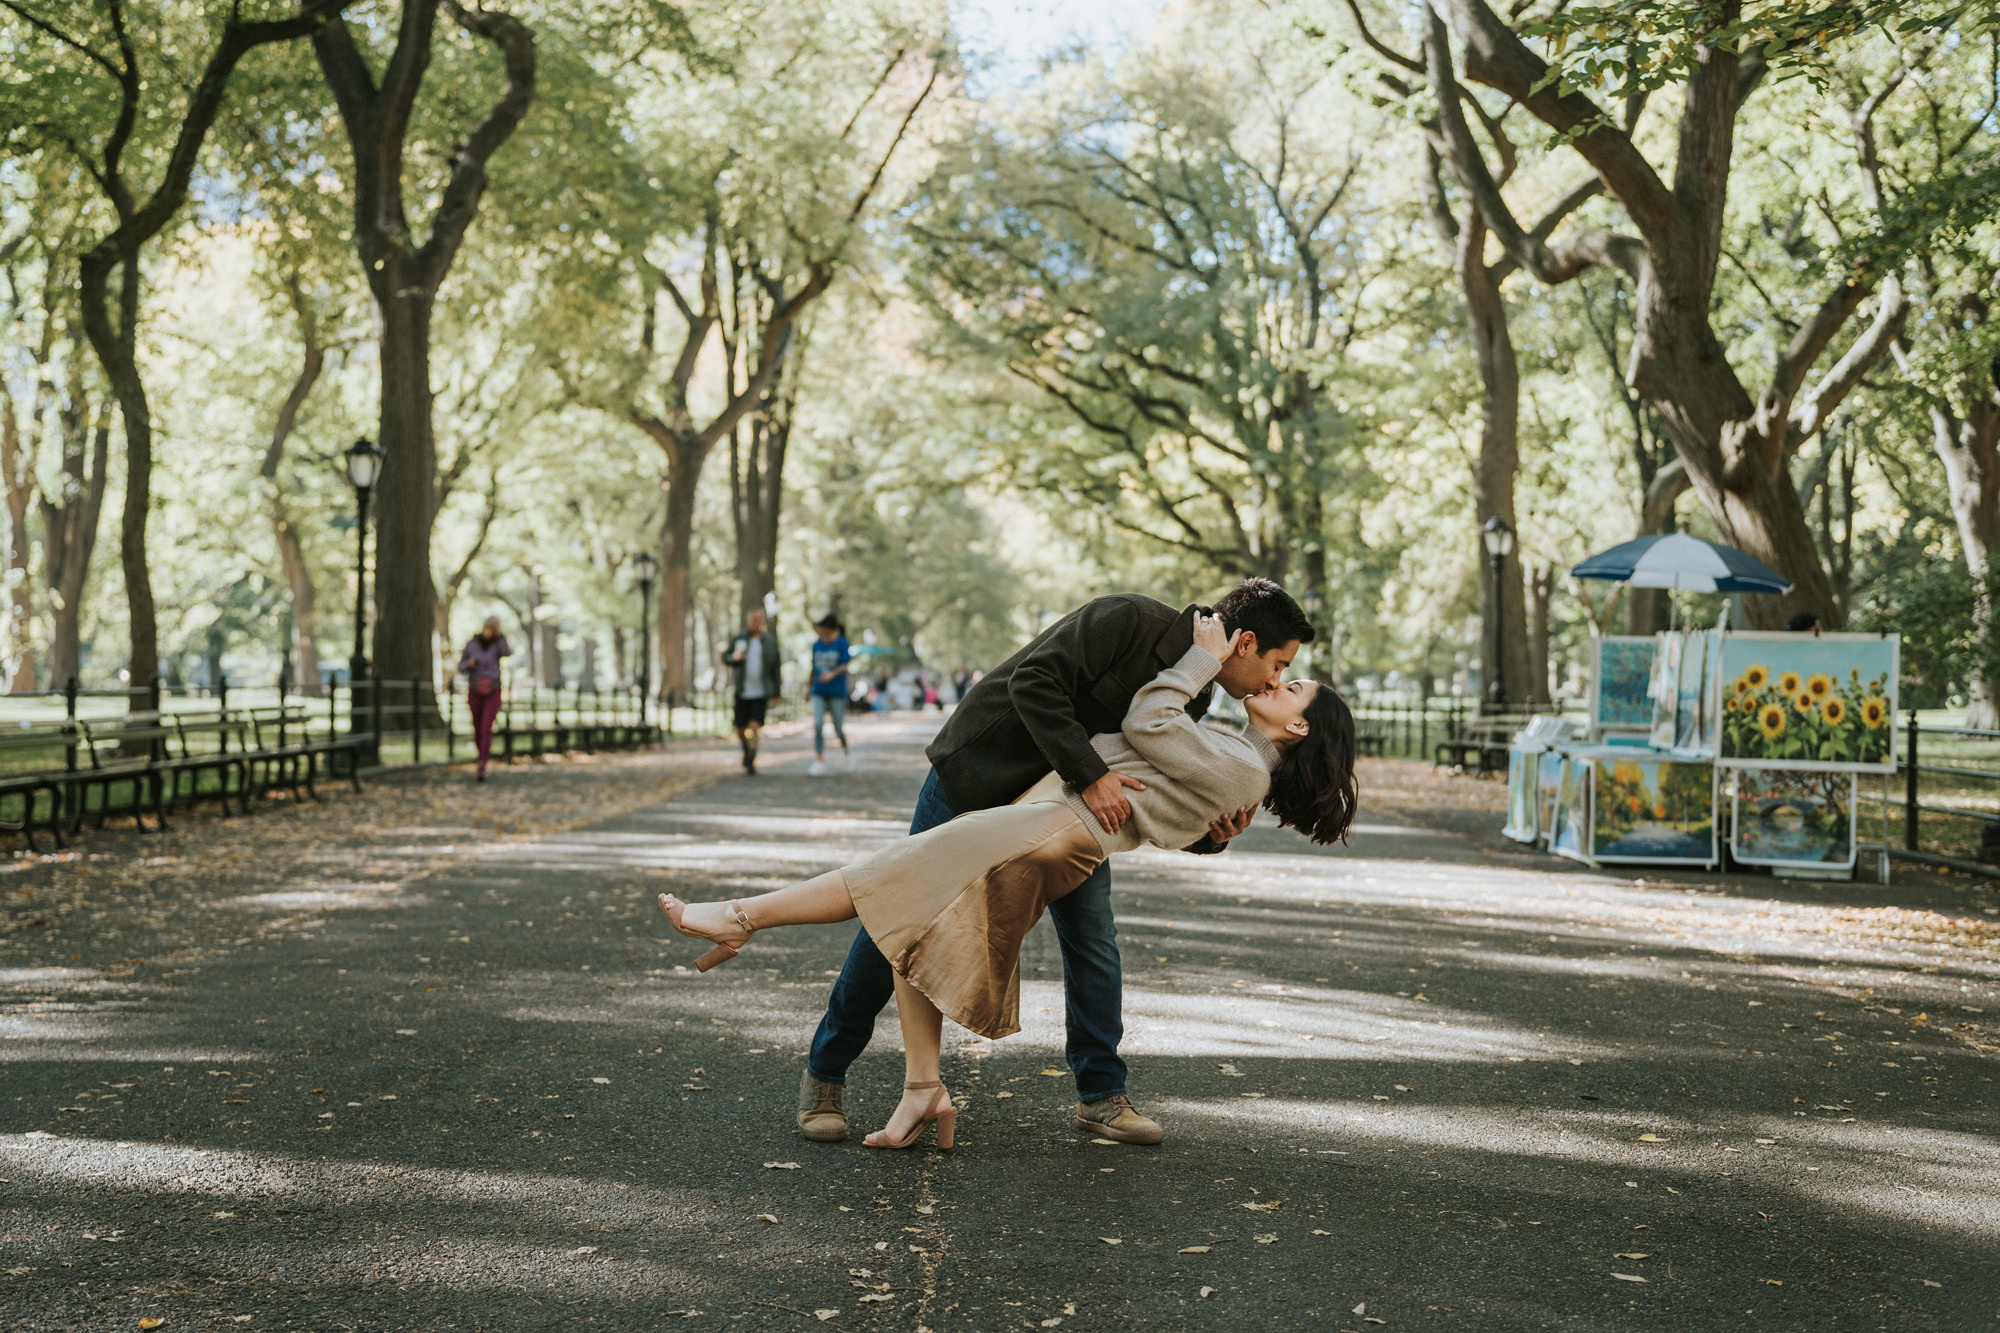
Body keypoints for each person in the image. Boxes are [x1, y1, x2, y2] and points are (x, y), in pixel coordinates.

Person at [658, 610, 1358, 1150]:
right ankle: (910, 1087)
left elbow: (1152, 740)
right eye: (1280, 664)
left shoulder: (1228, 742)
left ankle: (740, 916)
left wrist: (1204, 808)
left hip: (1054, 826)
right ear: (1242, 640)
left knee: (899, 889)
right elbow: (1127, 754)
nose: (1275, 679)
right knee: (908, 912)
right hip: (992, 777)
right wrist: (1194, 809)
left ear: (1296, 727)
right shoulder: (1136, 630)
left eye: (1290, 681)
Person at [726, 607, 782, 774]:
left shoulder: (769, 643)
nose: (756, 623)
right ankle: (746, 750)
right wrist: (734, 658)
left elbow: (776, 669)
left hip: (761, 691)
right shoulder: (739, 639)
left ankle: (751, 757)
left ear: (763, 622)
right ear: (749, 621)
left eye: (759, 620)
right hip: (743, 691)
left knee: (755, 726)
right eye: (753, 620)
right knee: (741, 728)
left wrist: (777, 692)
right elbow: (726, 657)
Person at [457, 616, 512, 781]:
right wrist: (470, 664)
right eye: (489, 628)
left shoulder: (498, 644)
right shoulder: (472, 644)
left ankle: (482, 763)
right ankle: (481, 755)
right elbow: (460, 666)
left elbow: (507, 652)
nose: (490, 631)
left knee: (487, 725)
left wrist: (500, 635)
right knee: (477, 726)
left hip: (493, 689)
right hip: (475, 688)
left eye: (494, 629)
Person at [809, 614, 852, 776]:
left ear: (830, 629)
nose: (821, 631)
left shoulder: (841, 643)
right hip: (818, 691)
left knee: (838, 728)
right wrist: (809, 689)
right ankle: (819, 760)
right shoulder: (816, 645)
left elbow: (845, 665)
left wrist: (832, 674)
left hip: (836, 691)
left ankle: (847, 753)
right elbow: (813, 667)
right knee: (818, 724)